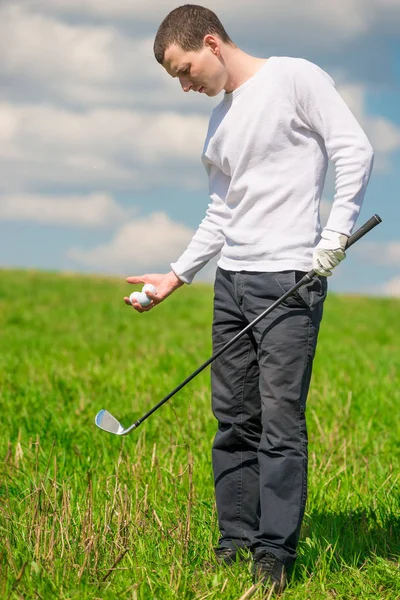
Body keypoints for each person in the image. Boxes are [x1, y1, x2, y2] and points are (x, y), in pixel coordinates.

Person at [124, 4, 374, 593]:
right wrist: (175, 276)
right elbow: (221, 211)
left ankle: (274, 559)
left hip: (291, 276)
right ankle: (234, 545)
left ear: (211, 43)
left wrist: (335, 235)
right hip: (232, 282)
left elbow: (353, 149)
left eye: (185, 70)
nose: (186, 85)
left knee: (280, 424)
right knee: (234, 419)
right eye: (178, 78)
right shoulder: (220, 123)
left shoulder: (295, 78)